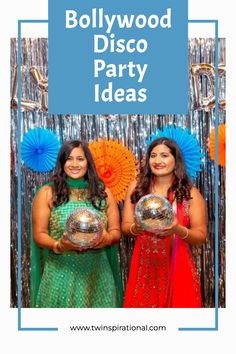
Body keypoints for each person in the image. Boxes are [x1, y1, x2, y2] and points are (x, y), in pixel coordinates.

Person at [31, 140, 122, 308]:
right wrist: (59, 246)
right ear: (62, 163)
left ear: (88, 162)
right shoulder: (47, 193)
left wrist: (106, 239)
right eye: (69, 159)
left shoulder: (103, 192)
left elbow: (116, 231)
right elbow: (39, 234)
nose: (74, 164)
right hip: (61, 274)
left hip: (98, 276)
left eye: (80, 159)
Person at [122, 137, 207, 308]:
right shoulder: (137, 188)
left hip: (178, 269)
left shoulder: (190, 193)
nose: (157, 161)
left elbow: (201, 235)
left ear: (176, 161)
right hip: (145, 270)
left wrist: (178, 229)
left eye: (164, 155)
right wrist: (136, 228)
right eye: (153, 155)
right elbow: (125, 227)